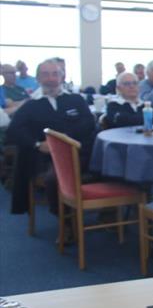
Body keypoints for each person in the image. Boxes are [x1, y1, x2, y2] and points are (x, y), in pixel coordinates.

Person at [6, 58, 96, 215]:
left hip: (80, 153)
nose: (51, 79)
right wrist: (37, 144)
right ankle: (65, 221)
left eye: (55, 74)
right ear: (38, 78)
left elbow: (89, 124)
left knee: (109, 165)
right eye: (46, 74)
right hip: (48, 158)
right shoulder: (31, 104)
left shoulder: (76, 99)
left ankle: (107, 213)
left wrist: (67, 140)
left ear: (62, 77)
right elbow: (14, 130)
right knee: (54, 178)